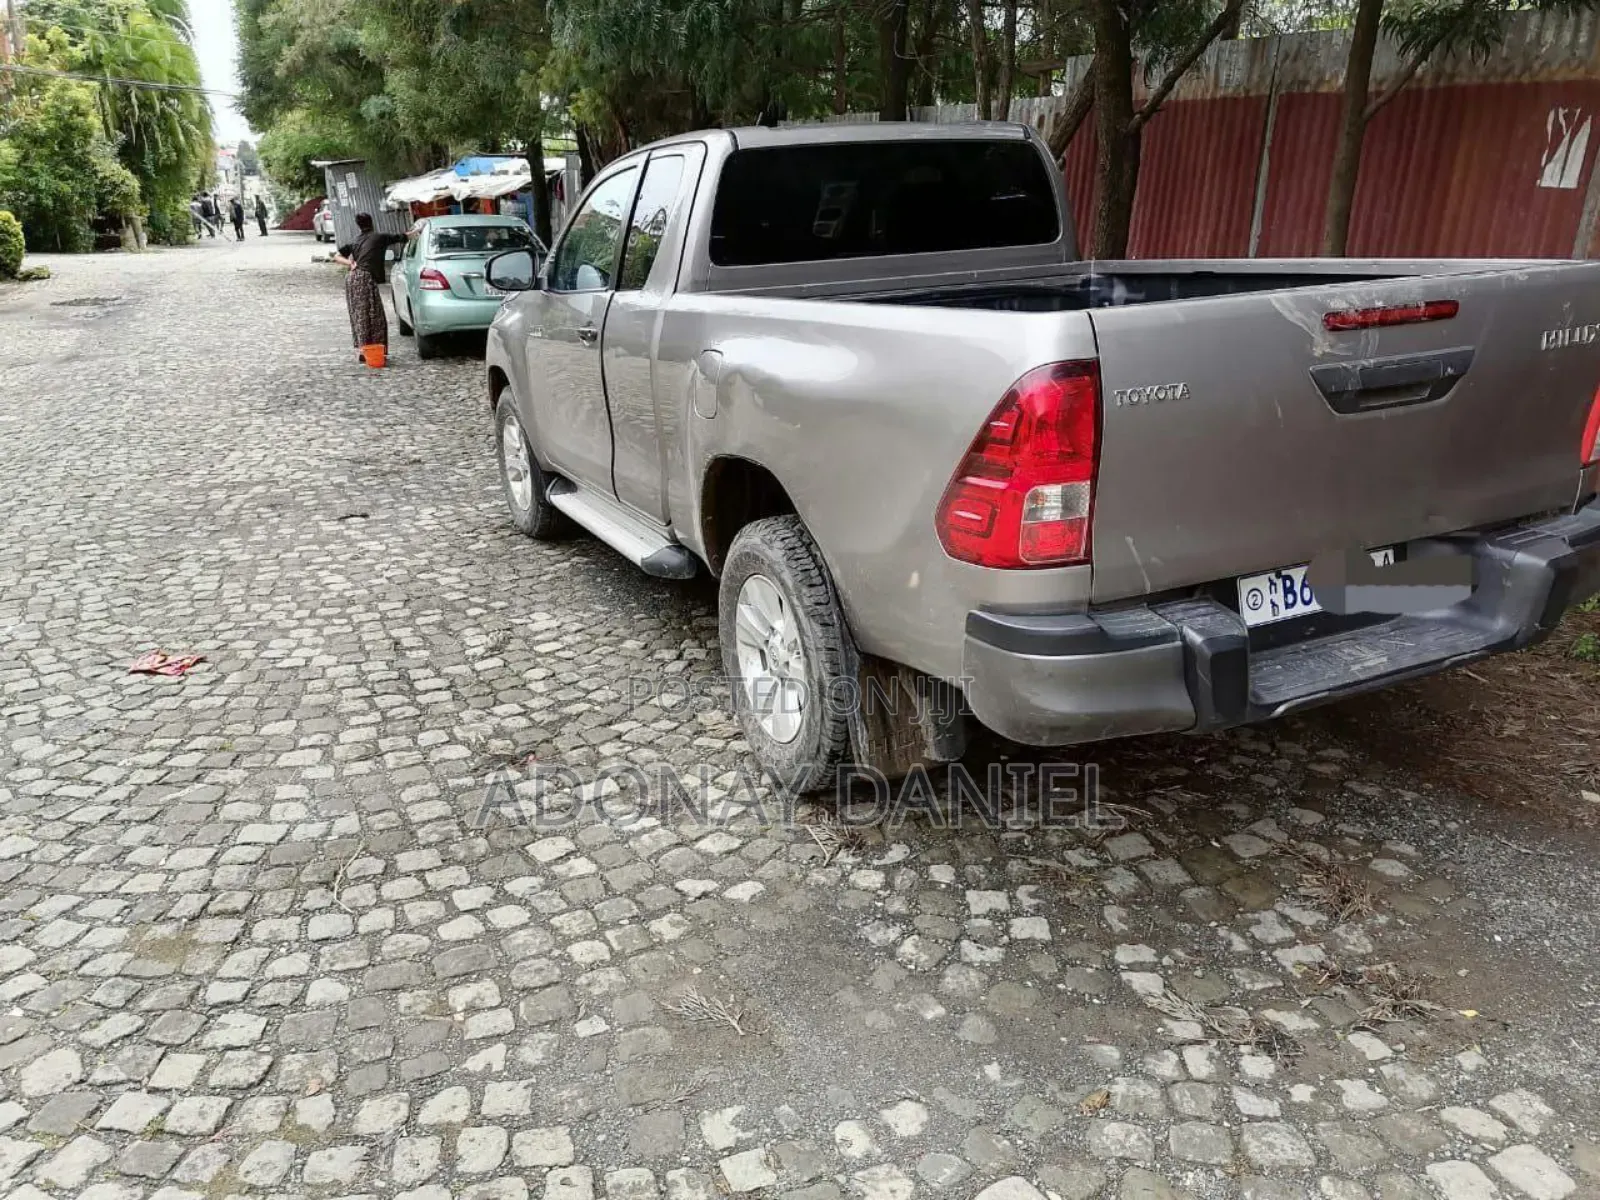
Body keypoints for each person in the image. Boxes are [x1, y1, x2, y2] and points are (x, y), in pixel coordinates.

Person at [332, 213, 409, 362]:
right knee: (374, 316)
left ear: (358, 225)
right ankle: (372, 350)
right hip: (365, 279)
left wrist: (351, 264)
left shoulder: (355, 240)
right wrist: (417, 231)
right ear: (372, 222)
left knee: (359, 315)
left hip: (352, 279)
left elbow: (336, 256)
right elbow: (403, 237)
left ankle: (363, 350)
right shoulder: (379, 237)